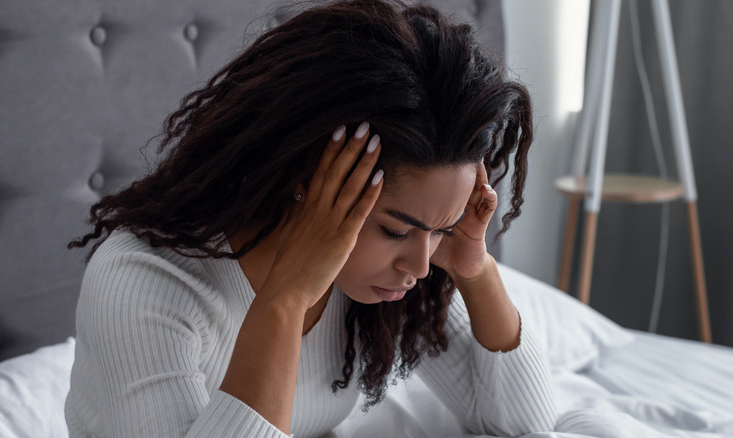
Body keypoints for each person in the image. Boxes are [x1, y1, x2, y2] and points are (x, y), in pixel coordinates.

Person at [64, 0, 557, 436]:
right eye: (395, 229)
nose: (421, 265)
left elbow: (522, 424)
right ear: (306, 183)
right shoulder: (145, 284)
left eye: (441, 230)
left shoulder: (384, 275)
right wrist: (285, 300)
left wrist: (476, 271)